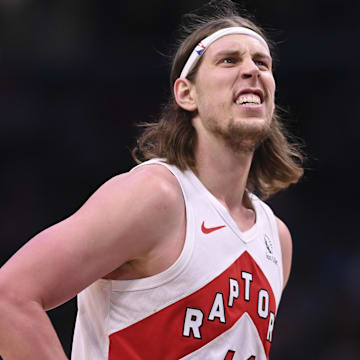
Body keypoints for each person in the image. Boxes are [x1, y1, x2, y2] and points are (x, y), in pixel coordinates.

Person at [0, 0, 304, 359]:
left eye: (262, 62)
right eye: (229, 60)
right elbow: (10, 296)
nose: (252, 70)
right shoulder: (156, 196)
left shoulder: (276, 239)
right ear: (186, 93)